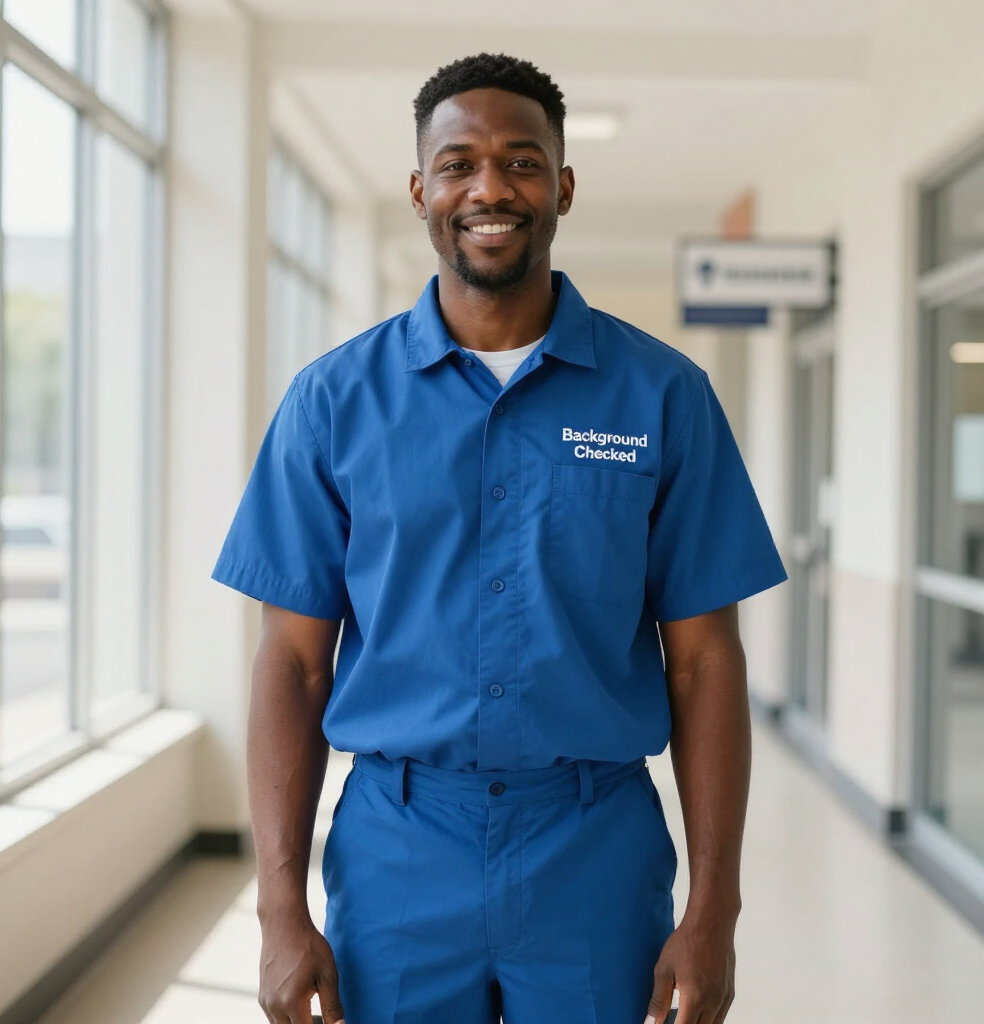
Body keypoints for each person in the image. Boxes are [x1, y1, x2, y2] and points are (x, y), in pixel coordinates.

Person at [213, 52, 787, 1024]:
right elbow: (294, 665)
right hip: (397, 844)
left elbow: (702, 666)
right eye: (458, 163)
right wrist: (277, 909)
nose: (490, 187)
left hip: (594, 842)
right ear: (419, 190)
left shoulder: (662, 396)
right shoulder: (333, 404)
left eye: (522, 162)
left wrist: (715, 909)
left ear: (562, 186)